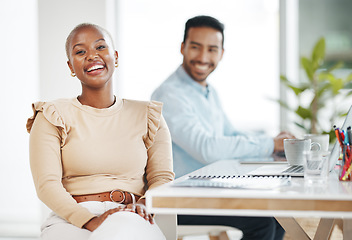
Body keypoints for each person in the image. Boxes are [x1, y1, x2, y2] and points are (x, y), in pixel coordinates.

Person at [26, 23, 174, 240]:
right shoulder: (51, 115)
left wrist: (143, 205)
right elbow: (46, 185)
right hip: (72, 219)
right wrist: (90, 221)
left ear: (115, 56)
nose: (91, 56)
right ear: (70, 66)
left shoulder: (149, 115)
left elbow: (162, 177)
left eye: (100, 47)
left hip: (132, 214)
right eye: (80, 51)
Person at [151, 15, 294, 240]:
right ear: (182, 48)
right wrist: (268, 145)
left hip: (209, 191)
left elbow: (229, 134)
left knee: (279, 215)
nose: (203, 57)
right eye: (196, 47)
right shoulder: (170, 94)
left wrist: (274, 145)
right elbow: (207, 148)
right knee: (262, 222)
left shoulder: (208, 91)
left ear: (221, 53)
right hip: (178, 199)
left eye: (212, 49)